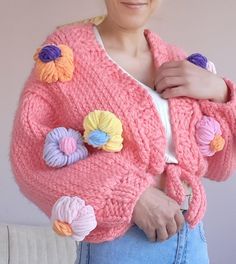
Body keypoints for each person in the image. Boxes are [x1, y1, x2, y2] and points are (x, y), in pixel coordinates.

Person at [10, 1, 236, 263]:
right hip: (121, 245)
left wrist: (222, 92)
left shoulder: (179, 61)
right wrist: (132, 195)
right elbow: (30, 157)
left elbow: (222, 165)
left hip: (193, 238)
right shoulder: (64, 58)